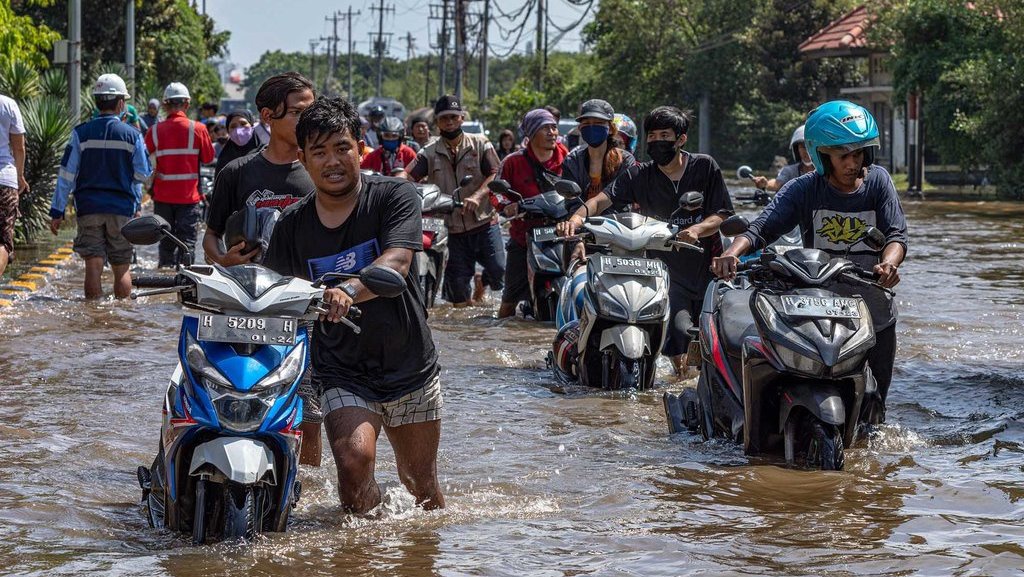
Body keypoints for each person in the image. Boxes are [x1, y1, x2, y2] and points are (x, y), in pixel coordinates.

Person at [263, 96, 444, 513]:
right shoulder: (291, 225)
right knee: (352, 463)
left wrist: (347, 289)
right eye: (320, 151)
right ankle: (361, 556)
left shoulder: (394, 196)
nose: (332, 161)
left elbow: (397, 263)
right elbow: (274, 295)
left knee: (422, 487)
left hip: (409, 363)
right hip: (342, 370)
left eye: (342, 147)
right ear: (303, 158)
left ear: (359, 148)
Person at [711, 100, 907, 423]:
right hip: (819, 309)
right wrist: (732, 253)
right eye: (844, 155)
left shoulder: (879, 182)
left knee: (874, 414)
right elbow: (762, 228)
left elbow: (897, 235)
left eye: (859, 154)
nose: (853, 163)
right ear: (821, 154)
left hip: (873, 312)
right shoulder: (804, 189)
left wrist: (888, 264)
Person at [557, 106, 733, 378]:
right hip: (664, 275)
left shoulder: (704, 167)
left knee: (719, 349)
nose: (657, 141)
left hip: (709, 269)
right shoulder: (639, 174)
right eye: (652, 136)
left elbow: (722, 214)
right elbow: (601, 200)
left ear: (681, 139)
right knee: (680, 346)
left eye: (664, 135)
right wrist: (577, 219)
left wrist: (697, 229)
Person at [50, 74, 152, 298]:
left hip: (88, 208)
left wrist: (57, 211)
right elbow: (143, 173)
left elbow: (66, 175)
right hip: (121, 209)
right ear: (121, 103)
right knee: (122, 266)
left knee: (93, 266)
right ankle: (120, 317)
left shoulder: (80, 133)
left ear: (96, 101)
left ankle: (94, 318)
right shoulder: (132, 135)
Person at [204, 73, 315, 267]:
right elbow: (211, 236)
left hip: (307, 288)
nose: (307, 121)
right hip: (253, 287)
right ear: (267, 116)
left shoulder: (321, 171)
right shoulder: (235, 173)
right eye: (296, 113)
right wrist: (224, 260)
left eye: (310, 113)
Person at [406, 95, 504, 308]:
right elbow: (407, 177)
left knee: (499, 271)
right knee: (458, 293)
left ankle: (482, 282)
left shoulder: (480, 143)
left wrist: (478, 196)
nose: (449, 121)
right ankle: (466, 334)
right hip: (451, 229)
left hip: (484, 222)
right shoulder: (429, 152)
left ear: (461, 118)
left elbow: (496, 173)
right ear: (437, 122)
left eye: (453, 117)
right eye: (444, 118)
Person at [496, 108, 567, 318]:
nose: (552, 132)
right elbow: (497, 194)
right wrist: (507, 206)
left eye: (554, 127)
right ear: (531, 133)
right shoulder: (512, 162)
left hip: (562, 234)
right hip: (523, 238)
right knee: (508, 301)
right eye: (545, 128)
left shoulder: (569, 159)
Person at [144, 82, 215, 267]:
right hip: (188, 198)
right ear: (187, 104)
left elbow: (142, 160)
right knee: (187, 245)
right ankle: (186, 286)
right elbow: (208, 158)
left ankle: (163, 283)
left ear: (165, 105)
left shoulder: (155, 131)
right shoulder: (198, 129)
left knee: (165, 244)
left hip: (163, 198)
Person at [561, 99, 636, 201]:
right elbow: (571, 202)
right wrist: (580, 216)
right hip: (577, 216)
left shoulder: (625, 160)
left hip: (614, 217)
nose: (592, 127)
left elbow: (620, 201)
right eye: (586, 123)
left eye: (598, 123)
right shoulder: (572, 161)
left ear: (610, 128)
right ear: (580, 128)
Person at [0, 92, 28, 280]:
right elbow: (19, 147)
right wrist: (19, 176)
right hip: (4, 180)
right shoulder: (8, 104)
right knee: (2, 242)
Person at [753, 124, 815, 191]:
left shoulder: (825, 171)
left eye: (810, 145)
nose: (807, 151)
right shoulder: (789, 171)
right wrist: (766, 184)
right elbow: (776, 184)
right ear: (796, 150)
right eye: (803, 147)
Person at [214, 109, 266, 176]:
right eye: (233, 126)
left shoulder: (265, 154)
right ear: (228, 131)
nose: (238, 130)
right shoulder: (224, 160)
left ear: (252, 126)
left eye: (243, 124)